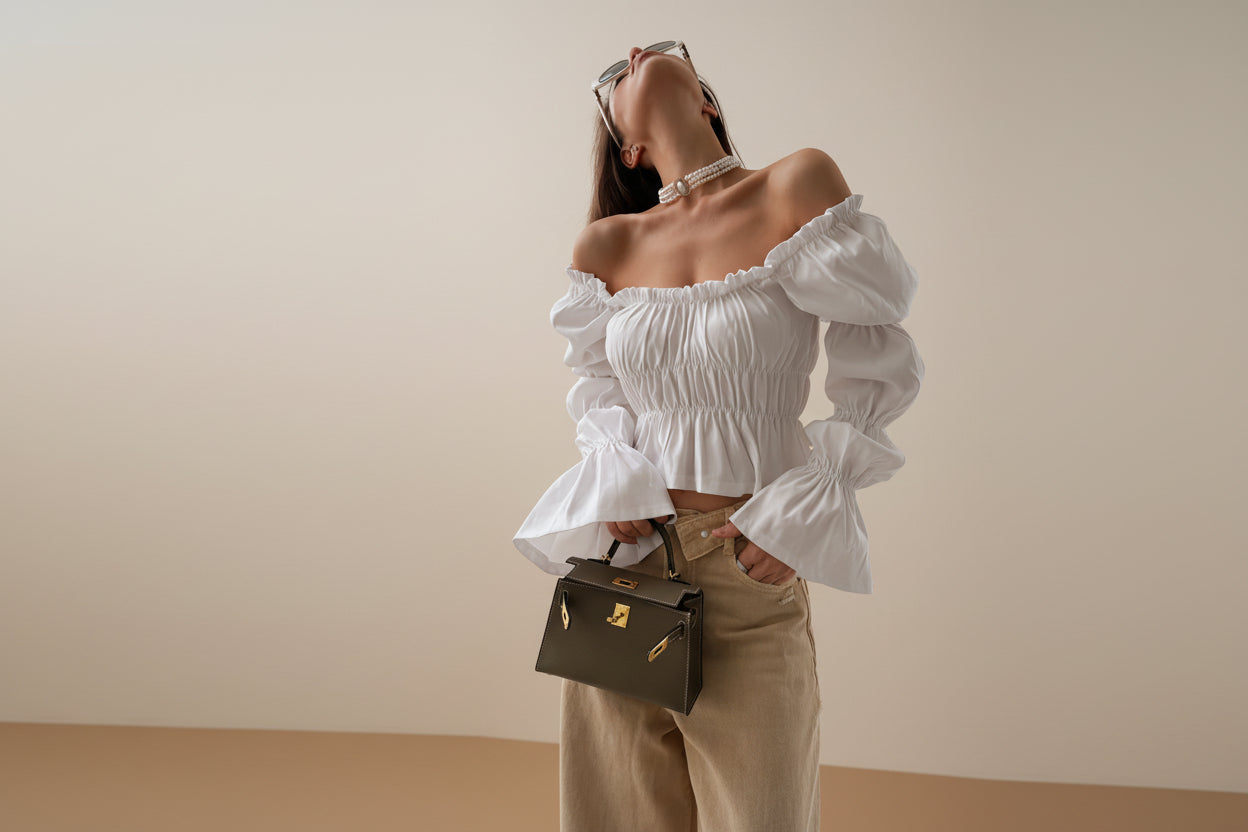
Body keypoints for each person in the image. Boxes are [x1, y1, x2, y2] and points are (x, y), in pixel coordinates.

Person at [512, 40, 925, 832]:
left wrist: (812, 503)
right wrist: (616, 477)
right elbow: (600, 394)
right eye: (617, 71)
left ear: (706, 101)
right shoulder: (609, 247)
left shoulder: (796, 184)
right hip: (629, 570)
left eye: (661, 52)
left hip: (747, 567)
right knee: (613, 818)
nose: (638, 52)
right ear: (626, 143)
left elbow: (880, 358)